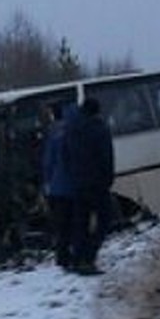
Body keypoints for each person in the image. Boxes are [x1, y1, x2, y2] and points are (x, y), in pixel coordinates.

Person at [65, 97, 115, 275]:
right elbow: (106, 157)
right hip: (97, 183)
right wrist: (108, 179)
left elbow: (67, 157)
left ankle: (77, 259)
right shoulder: (99, 129)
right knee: (105, 220)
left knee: (81, 222)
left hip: (78, 183)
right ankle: (88, 258)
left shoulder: (71, 129)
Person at [41, 102, 76, 269]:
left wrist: (47, 182)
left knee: (61, 224)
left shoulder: (53, 133)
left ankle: (62, 257)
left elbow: (48, 162)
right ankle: (75, 252)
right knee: (74, 222)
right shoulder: (73, 130)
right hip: (74, 185)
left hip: (57, 186)